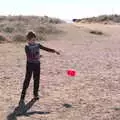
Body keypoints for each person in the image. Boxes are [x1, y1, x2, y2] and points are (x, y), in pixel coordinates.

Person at [20, 31, 60, 101]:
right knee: (27, 79)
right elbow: (29, 56)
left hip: (37, 64)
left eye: (34, 39)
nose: (34, 41)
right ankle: (23, 95)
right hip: (30, 65)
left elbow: (45, 48)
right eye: (32, 40)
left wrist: (54, 51)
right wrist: (38, 55)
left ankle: (35, 95)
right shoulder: (27, 47)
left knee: (37, 80)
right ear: (28, 40)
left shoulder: (37, 45)